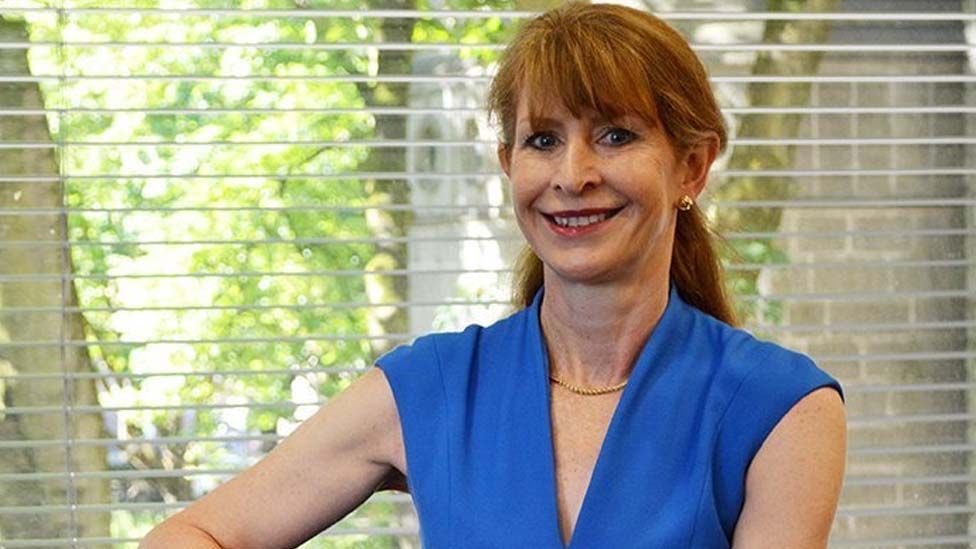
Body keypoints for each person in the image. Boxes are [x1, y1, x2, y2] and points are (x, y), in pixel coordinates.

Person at [141, 2, 846, 548]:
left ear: (691, 166)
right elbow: (195, 532)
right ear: (510, 164)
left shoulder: (784, 408)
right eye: (543, 140)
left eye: (615, 135)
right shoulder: (431, 386)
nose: (574, 175)